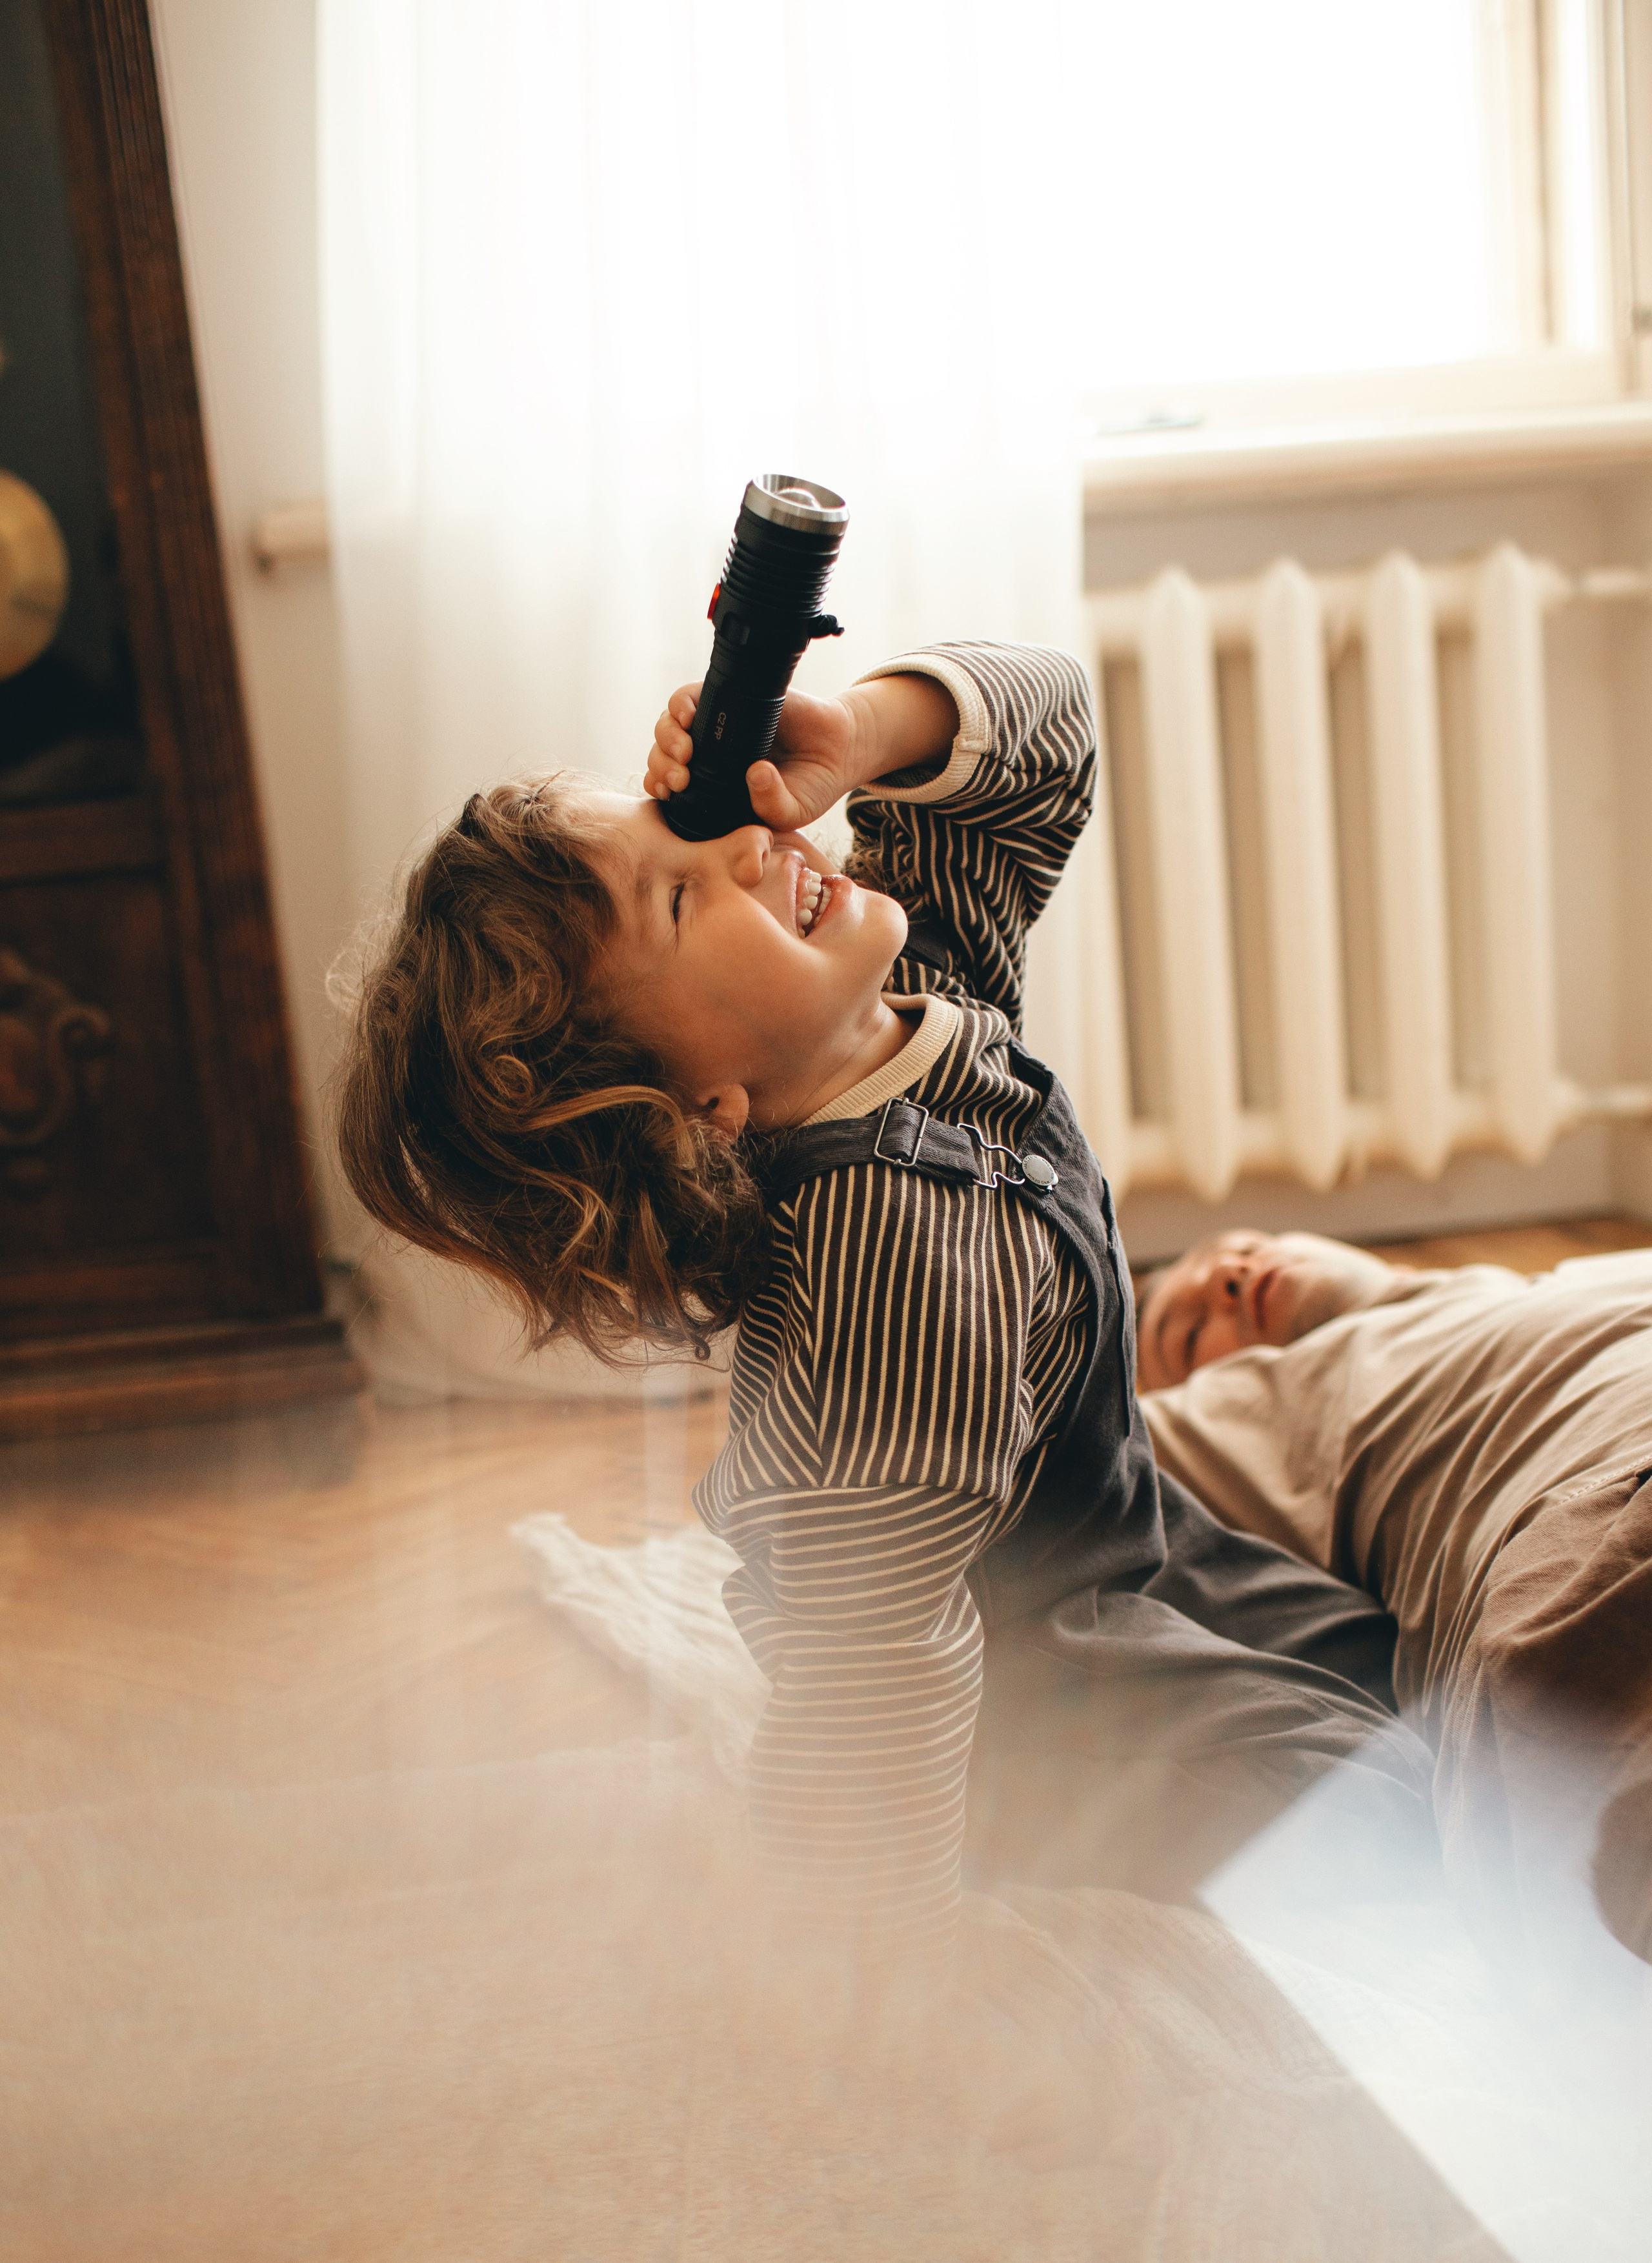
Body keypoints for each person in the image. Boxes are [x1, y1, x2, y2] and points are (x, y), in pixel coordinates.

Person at [334, 644, 1433, 2009]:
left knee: (1422, 1667)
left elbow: (1045, 736)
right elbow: (871, 1667)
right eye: (682, 898)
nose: (746, 845)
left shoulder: (910, 989)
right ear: (696, 1108)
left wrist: (850, 732)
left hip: (1129, 1550)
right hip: (1031, 1698)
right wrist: (888, 1981)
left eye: (688, 826)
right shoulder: (878, 1269)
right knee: (1395, 1809)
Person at [1137, 1229, 1652, 1969]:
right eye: (1187, 1333)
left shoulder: (1565, 1280)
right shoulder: (1242, 1405)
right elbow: (1044, 1447)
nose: (1227, 1276)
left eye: (1244, 1245)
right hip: (1603, 1538)